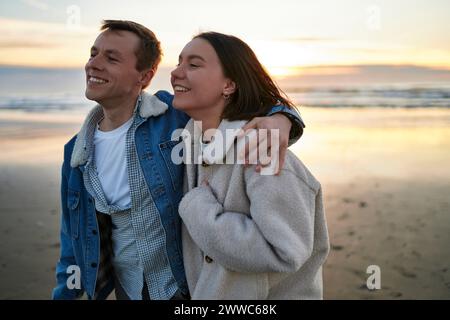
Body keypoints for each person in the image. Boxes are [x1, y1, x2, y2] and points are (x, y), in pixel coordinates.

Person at [52, 20, 305, 300]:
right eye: (93, 53)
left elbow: (241, 103)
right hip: (129, 288)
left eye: (111, 58)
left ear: (145, 77)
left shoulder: (172, 118)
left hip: (182, 286)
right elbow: (72, 243)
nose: (93, 64)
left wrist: (283, 119)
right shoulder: (76, 153)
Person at [172, 32, 329, 299]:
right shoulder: (190, 147)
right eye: (179, 62)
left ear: (229, 85)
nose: (176, 72)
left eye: (194, 64)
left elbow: (283, 252)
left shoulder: (264, 154)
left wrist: (197, 207)